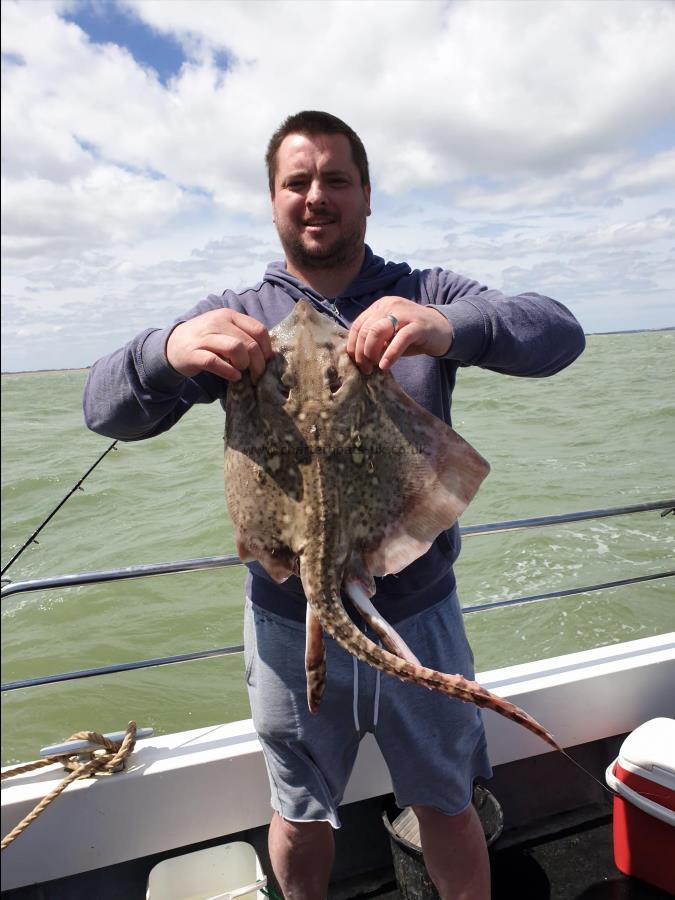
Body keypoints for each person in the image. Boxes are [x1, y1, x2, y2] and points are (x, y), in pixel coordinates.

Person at [83, 110, 585, 900]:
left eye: (336, 180)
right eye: (297, 181)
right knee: (299, 811)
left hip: (417, 609)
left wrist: (444, 327)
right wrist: (168, 350)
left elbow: (559, 333)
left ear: (366, 195)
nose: (317, 195)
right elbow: (104, 411)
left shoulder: (424, 290)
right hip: (284, 619)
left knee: (447, 803)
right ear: (274, 199)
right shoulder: (236, 310)